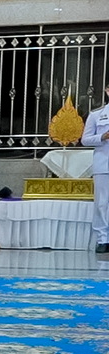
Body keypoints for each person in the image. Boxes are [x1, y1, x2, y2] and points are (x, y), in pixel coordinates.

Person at [82, 86, 109, 254]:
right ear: (107, 91)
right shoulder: (97, 115)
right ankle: (103, 238)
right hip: (104, 164)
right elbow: (85, 140)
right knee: (102, 203)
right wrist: (102, 137)